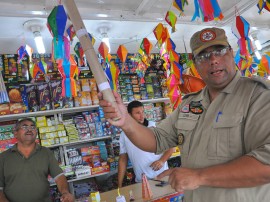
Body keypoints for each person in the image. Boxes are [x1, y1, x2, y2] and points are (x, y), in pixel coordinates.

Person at [98, 27, 270, 202]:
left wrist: (199, 177)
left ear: (231, 53)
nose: (213, 60)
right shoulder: (189, 104)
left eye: (219, 51)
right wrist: (125, 121)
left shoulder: (258, 97)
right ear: (195, 64)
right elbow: (156, 139)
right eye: (203, 56)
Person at [0, 118, 74, 202]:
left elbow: (59, 176)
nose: (29, 129)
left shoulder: (46, 152)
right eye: (24, 127)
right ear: (15, 133)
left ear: (36, 133)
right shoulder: (3, 157)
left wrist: (65, 193)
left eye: (33, 127)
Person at [118, 100, 174, 187]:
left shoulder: (154, 127)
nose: (142, 116)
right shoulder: (124, 134)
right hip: (142, 181)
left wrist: (162, 161)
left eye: (143, 112)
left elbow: (171, 146)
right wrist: (119, 185)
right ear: (129, 115)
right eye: (137, 113)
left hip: (161, 177)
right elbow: (123, 159)